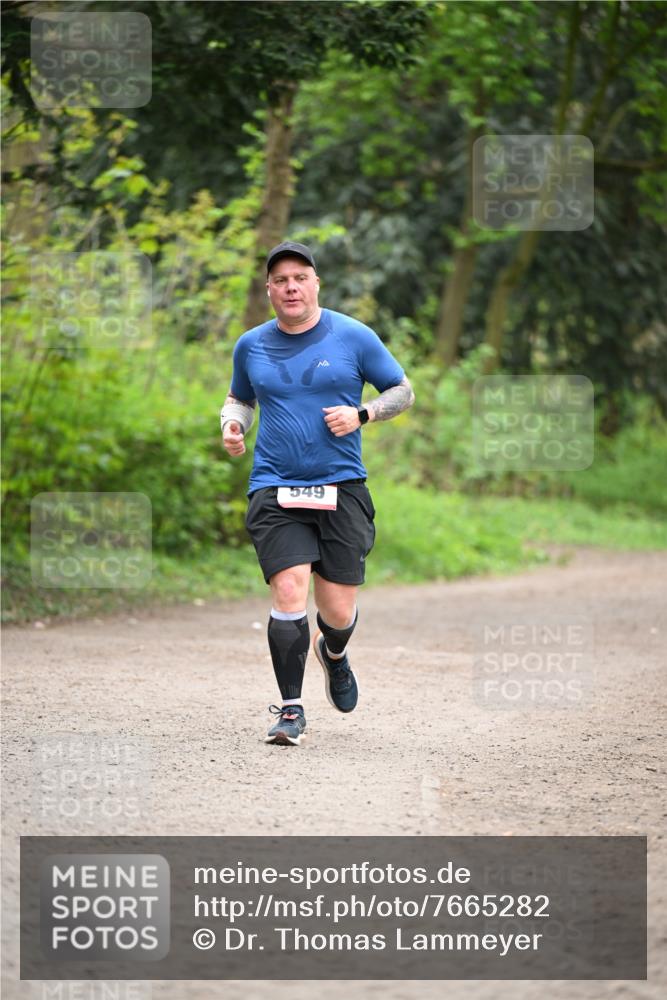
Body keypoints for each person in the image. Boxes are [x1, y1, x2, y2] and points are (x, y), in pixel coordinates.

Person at [221, 241, 414, 746]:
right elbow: (239, 398)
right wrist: (232, 425)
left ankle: (334, 652)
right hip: (275, 485)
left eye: (300, 278)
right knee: (289, 590)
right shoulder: (251, 345)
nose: (291, 287)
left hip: (341, 487)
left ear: (316, 284)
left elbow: (402, 391)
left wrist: (363, 414)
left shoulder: (353, 335)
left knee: (337, 612)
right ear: (269, 289)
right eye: (281, 280)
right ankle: (291, 710)